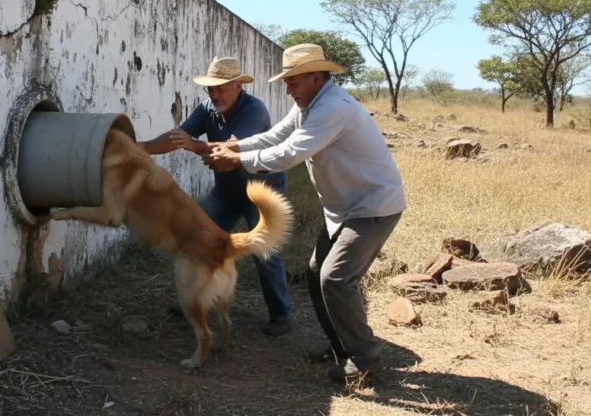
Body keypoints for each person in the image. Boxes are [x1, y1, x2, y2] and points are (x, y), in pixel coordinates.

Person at [204, 43, 407, 383]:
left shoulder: (333, 108)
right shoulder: (310, 103)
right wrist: (238, 145)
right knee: (316, 273)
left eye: (293, 81)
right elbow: (277, 135)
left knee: (336, 278)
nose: (288, 89)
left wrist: (237, 159)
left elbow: (291, 152)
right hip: (345, 208)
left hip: (372, 206)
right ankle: (341, 346)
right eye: (287, 82)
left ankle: (366, 358)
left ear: (315, 77)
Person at [137, 56, 295, 336]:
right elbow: (176, 138)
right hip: (226, 192)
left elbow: (232, 150)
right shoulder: (207, 108)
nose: (215, 94)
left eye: (221, 88)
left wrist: (194, 144)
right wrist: (139, 148)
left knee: (264, 252)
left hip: (260, 191)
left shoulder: (254, 110)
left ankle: (280, 314)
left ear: (237, 85)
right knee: (196, 241)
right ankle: (194, 300)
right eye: (211, 88)